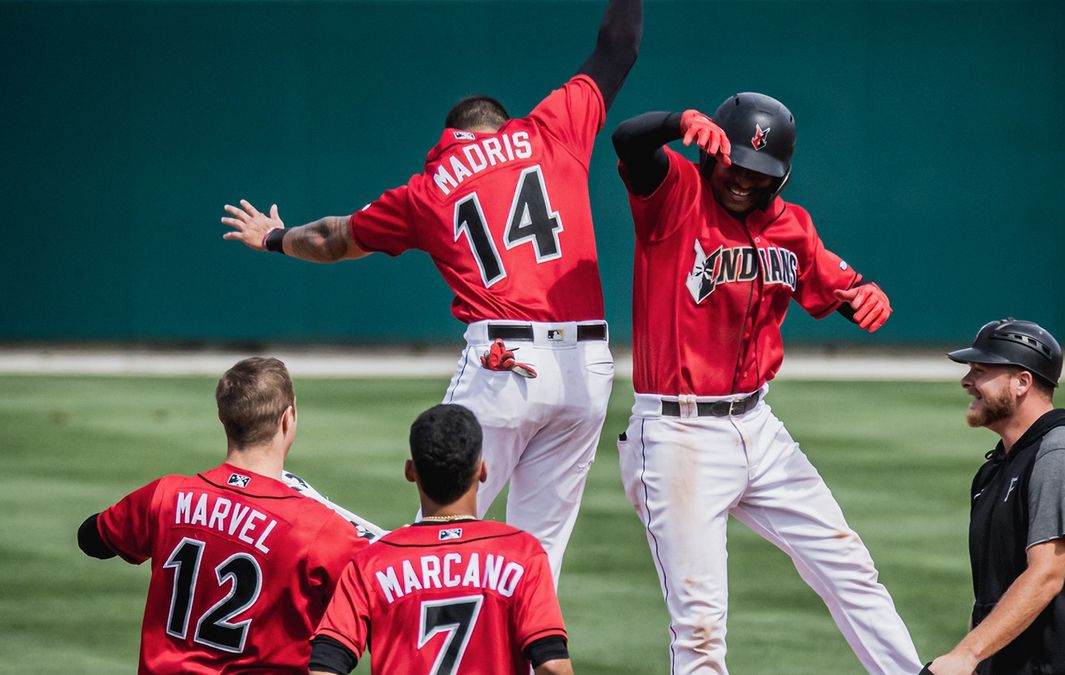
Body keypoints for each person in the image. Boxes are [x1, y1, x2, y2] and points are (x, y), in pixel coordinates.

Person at [221, 0, 641, 581]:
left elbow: (332, 238)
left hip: (504, 365)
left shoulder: (429, 188)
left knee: (434, 545)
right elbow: (619, 46)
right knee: (537, 562)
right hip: (586, 371)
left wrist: (274, 238)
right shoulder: (550, 131)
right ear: (501, 124)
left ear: (450, 136)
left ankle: (378, 579)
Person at [609, 93, 922, 674]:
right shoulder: (675, 195)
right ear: (712, 155)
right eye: (735, 165)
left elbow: (836, 285)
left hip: (759, 428)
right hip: (679, 435)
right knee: (700, 627)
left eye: (759, 173)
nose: (743, 181)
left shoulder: (790, 225)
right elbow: (627, 140)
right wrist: (676, 122)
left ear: (780, 176)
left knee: (849, 567)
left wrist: (864, 295)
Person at [76, 357, 370, 673]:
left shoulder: (166, 496)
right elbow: (378, 600)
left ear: (222, 417)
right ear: (288, 418)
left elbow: (91, 539)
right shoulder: (321, 531)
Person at [309, 403, 572, 675]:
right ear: (482, 470)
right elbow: (553, 665)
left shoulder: (371, 563)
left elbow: (325, 666)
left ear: (410, 472)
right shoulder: (521, 553)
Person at [928, 319, 1065, 675]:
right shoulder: (994, 470)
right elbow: (992, 596)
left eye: (980, 371)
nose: (966, 382)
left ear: (1022, 382)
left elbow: (1047, 573)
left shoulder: (1058, 454)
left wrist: (967, 655)